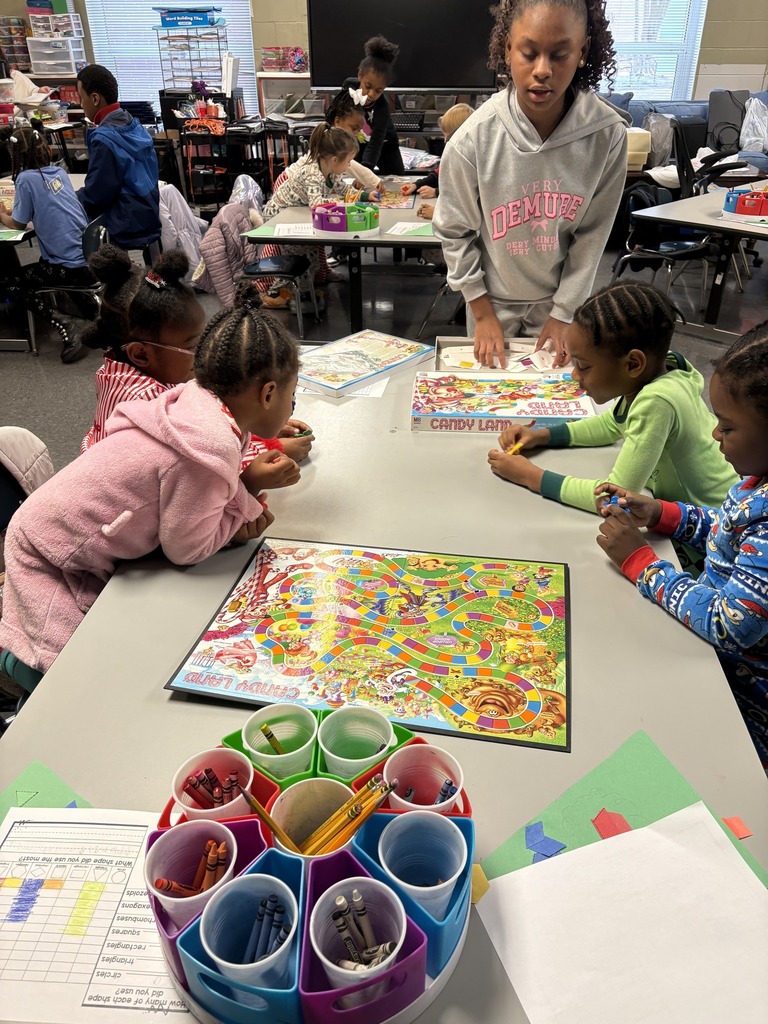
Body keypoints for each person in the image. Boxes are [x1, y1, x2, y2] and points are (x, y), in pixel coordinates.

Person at [0, 295, 302, 688]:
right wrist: (241, 505)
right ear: (267, 394)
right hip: (50, 559)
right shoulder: (207, 448)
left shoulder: (201, 403)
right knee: (88, 678)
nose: (291, 407)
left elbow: (186, 499)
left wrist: (240, 491)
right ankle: (17, 671)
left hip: (58, 533)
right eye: (291, 397)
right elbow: (187, 549)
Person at [595, 321, 768, 767]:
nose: (714, 436)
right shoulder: (757, 481)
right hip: (712, 666)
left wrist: (641, 563)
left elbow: (729, 625)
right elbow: (730, 531)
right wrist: (664, 514)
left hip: (742, 707)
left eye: (727, 428)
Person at [433, 0, 629, 369]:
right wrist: (481, 309)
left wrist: (564, 312)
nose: (542, 71)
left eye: (559, 55)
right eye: (528, 53)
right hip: (490, 306)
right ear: (507, 49)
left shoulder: (608, 136)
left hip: (560, 308)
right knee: (490, 403)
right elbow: (454, 232)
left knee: (550, 409)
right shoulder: (471, 140)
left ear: (583, 51)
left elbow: (592, 236)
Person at [488, 283, 737, 524]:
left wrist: (532, 476)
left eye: (583, 366)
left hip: (712, 530)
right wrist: (541, 436)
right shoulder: (666, 369)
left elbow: (617, 498)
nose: (575, 375)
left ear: (633, 364)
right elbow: (611, 424)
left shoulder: (657, 401)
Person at [80, 247, 313, 470]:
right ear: (140, 354)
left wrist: (257, 421)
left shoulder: (130, 367)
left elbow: (210, 422)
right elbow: (196, 466)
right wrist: (267, 453)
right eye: (192, 345)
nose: (203, 352)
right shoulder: (145, 403)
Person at [0, 123, 94, 362]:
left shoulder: (25, 180)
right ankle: (85, 311)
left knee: (9, 283)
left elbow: (18, 225)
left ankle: (64, 320)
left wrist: (1, 212)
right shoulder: (59, 173)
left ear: (15, 155)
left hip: (68, 268)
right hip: (87, 260)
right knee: (43, 262)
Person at [261, 122, 359, 310]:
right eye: (348, 161)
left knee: (310, 258)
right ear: (334, 160)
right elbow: (317, 205)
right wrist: (340, 207)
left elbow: (342, 188)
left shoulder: (330, 172)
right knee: (302, 260)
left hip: (295, 214)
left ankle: (300, 291)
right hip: (279, 218)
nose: (349, 166)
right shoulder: (313, 174)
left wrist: (363, 195)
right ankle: (289, 295)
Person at [75, 64, 161, 250]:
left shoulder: (105, 139)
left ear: (95, 98)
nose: (81, 105)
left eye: (82, 98)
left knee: (67, 217)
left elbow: (96, 196)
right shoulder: (133, 125)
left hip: (124, 224)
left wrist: (71, 198)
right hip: (148, 215)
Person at [342, 35, 404, 175]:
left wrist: (366, 173)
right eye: (368, 86)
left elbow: (376, 142)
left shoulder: (382, 107)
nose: (371, 94)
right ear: (360, 75)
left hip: (386, 145)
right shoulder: (348, 89)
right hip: (360, 143)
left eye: (378, 90)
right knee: (350, 177)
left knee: (397, 181)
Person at [402, 103, 474, 212]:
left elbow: (465, 193)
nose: (445, 141)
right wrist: (416, 185)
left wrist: (435, 192)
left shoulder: (471, 159)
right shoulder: (451, 154)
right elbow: (437, 176)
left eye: (447, 136)